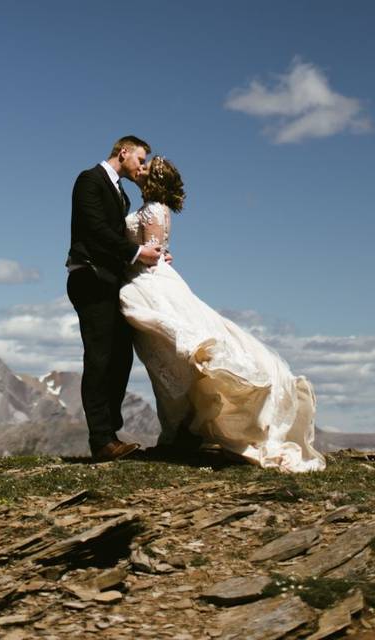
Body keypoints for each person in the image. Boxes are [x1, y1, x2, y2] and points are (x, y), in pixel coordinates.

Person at [120, 156, 325, 472]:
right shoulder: (157, 209)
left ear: (154, 180)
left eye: (147, 168)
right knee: (167, 359)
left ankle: (182, 431)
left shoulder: (151, 210)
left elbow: (150, 253)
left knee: (169, 357)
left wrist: (129, 258)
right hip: (156, 280)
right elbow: (158, 250)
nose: (141, 169)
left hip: (150, 284)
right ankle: (183, 430)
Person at [66, 136, 164, 462]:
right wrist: (138, 252)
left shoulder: (121, 195)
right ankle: (101, 441)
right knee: (99, 358)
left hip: (111, 281)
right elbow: (94, 230)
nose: (142, 167)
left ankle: (111, 433)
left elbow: (118, 237)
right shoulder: (89, 180)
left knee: (120, 357)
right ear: (123, 152)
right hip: (90, 278)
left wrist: (153, 255)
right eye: (140, 159)